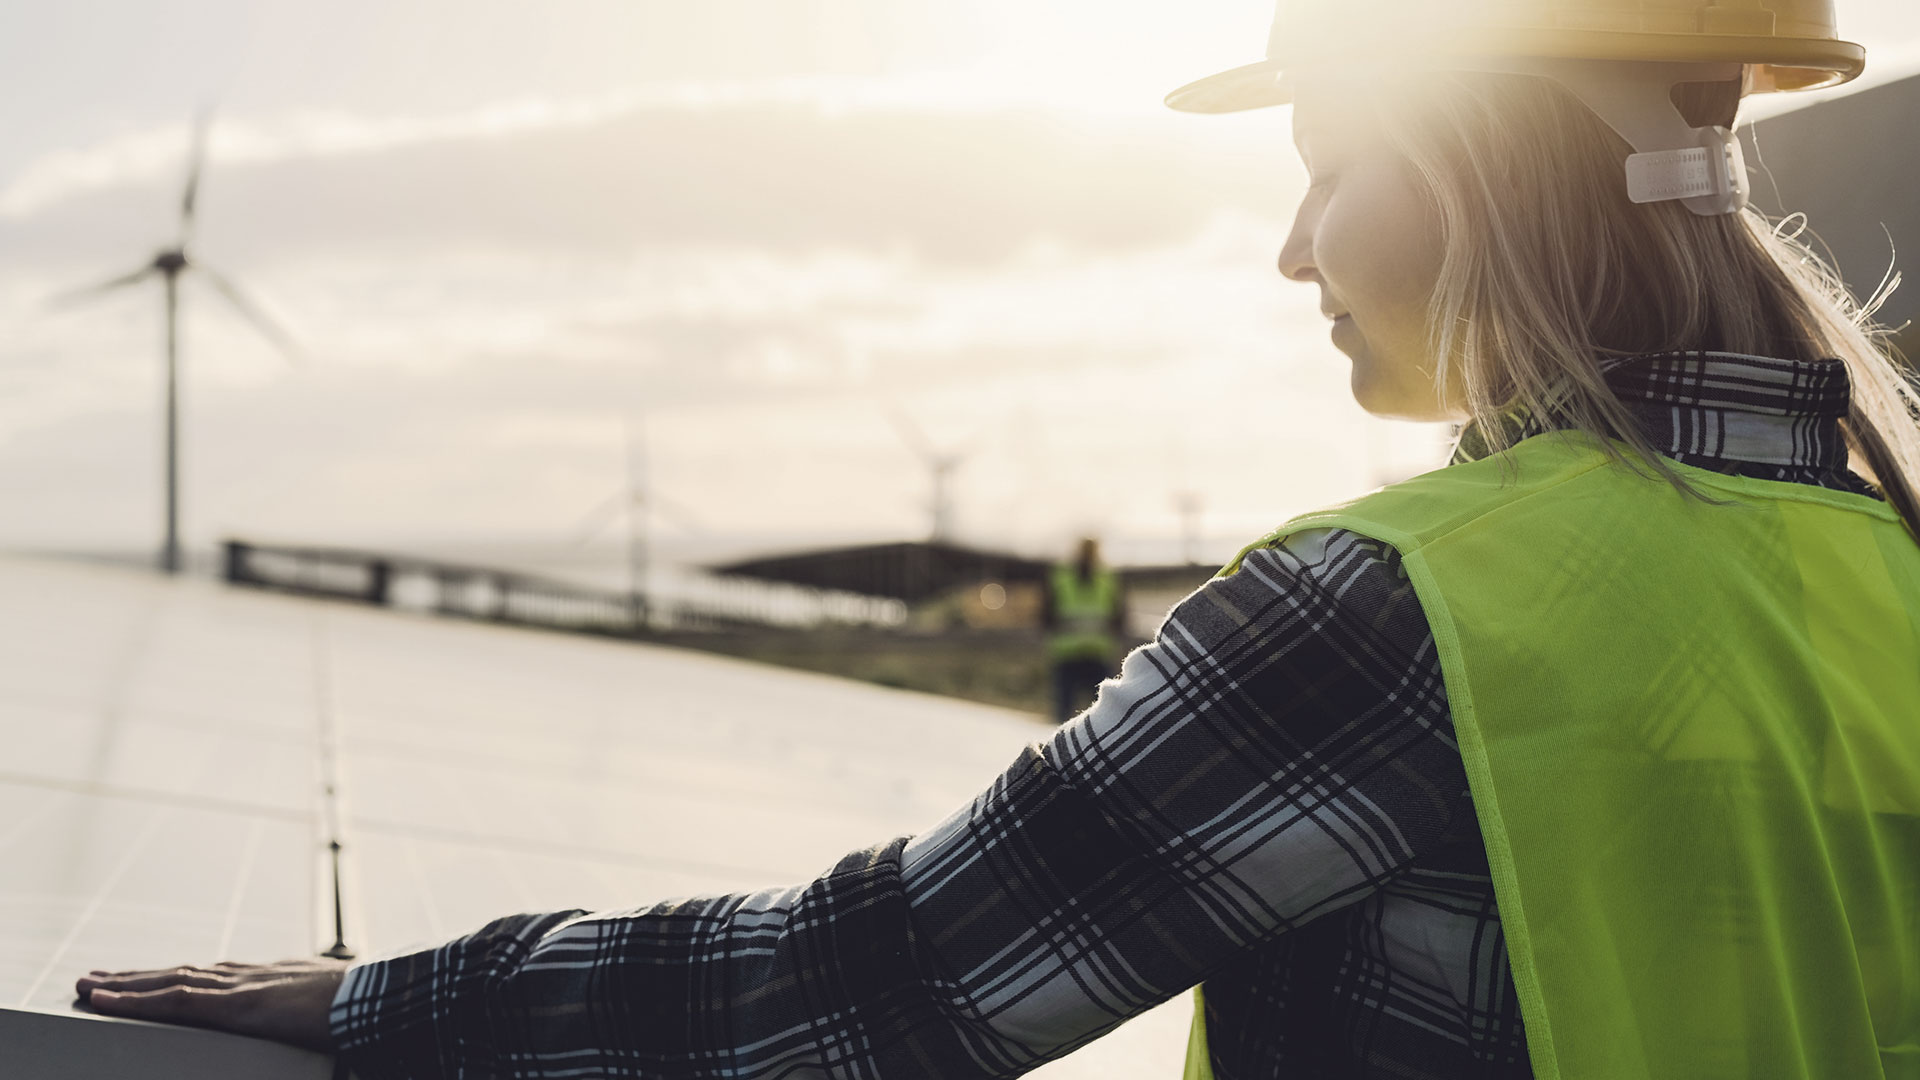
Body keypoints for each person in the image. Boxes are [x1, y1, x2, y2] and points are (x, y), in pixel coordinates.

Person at [76, 1, 1920, 1076]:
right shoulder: (1880, 562)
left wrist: (391, 998)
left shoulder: (1398, 615)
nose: (1292, 252)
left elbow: (883, 985)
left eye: (1330, 168)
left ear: (1490, 158)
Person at [1042, 536, 1126, 723]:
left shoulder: (1106, 579)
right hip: (1071, 654)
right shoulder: (1063, 578)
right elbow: (1046, 615)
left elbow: (1119, 617)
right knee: (1073, 715)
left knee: (1102, 715)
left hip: (1093, 654)